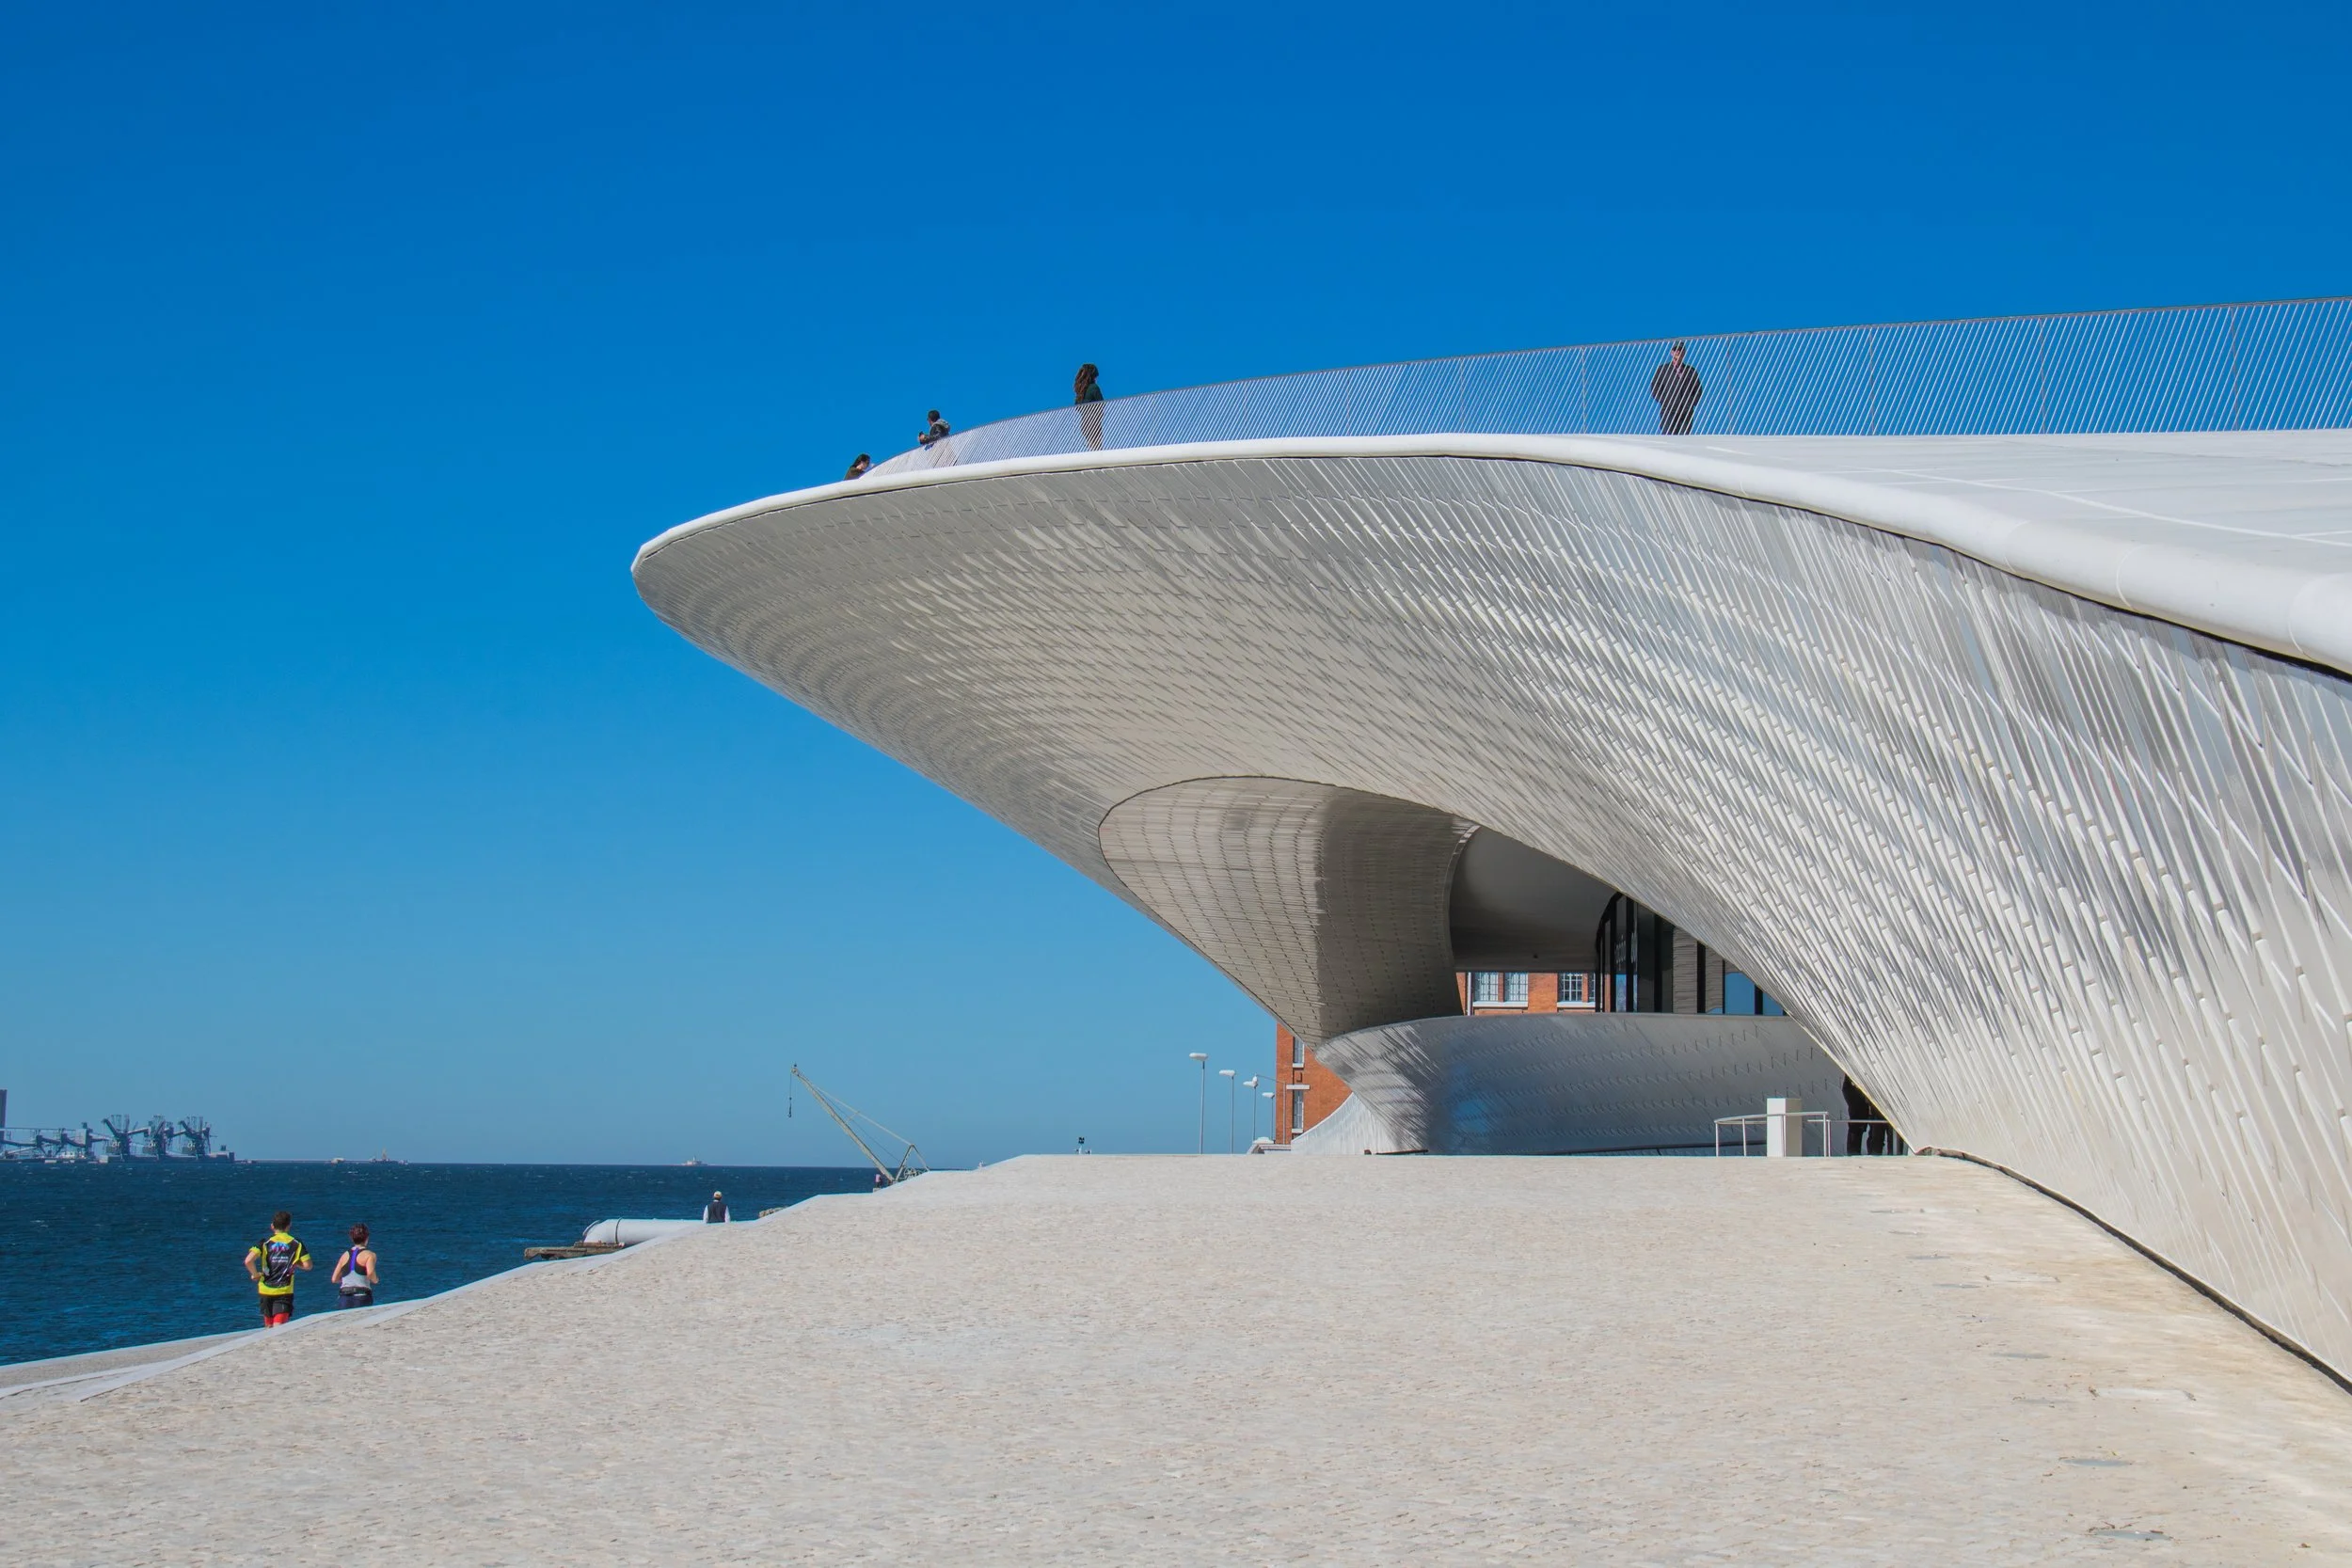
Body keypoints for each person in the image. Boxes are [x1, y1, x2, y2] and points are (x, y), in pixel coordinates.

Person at [245, 1211, 311, 1326]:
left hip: (265, 1290)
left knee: (269, 1328)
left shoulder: (264, 1243)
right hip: (284, 1290)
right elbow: (308, 1266)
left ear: (272, 1226)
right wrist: (295, 1263)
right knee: (279, 1328)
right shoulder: (296, 1243)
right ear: (289, 1226)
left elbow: (248, 1260)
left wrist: (255, 1274)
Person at [1650, 341, 1703, 435]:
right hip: (1669, 410)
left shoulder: (1691, 371)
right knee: (1668, 437)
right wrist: (1665, 400)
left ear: (1684, 353)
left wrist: (1690, 402)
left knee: (1684, 439)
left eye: (1681, 350)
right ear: (1671, 352)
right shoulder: (1663, 369)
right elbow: (1655, 387)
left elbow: (1698, 390)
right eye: (1676, 350)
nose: (1678, 352)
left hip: (1686, 411)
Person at [330, 1223, 379, 1308]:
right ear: (367, 1238)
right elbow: (370, 1273)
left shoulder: (344, 1255)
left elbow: (334, 1279)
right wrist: (376, 1280)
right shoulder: (369, 1255)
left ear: (351, 1238)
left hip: (344, 1296)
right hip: (361, 1296)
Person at [1073, 363, 1105, 451]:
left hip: (1084, 423)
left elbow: (1077, 406)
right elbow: (1102, 403)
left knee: (1092, 448)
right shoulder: (1094, 388)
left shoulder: (1080, 391)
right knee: (1097, 449)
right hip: (1094, 422)